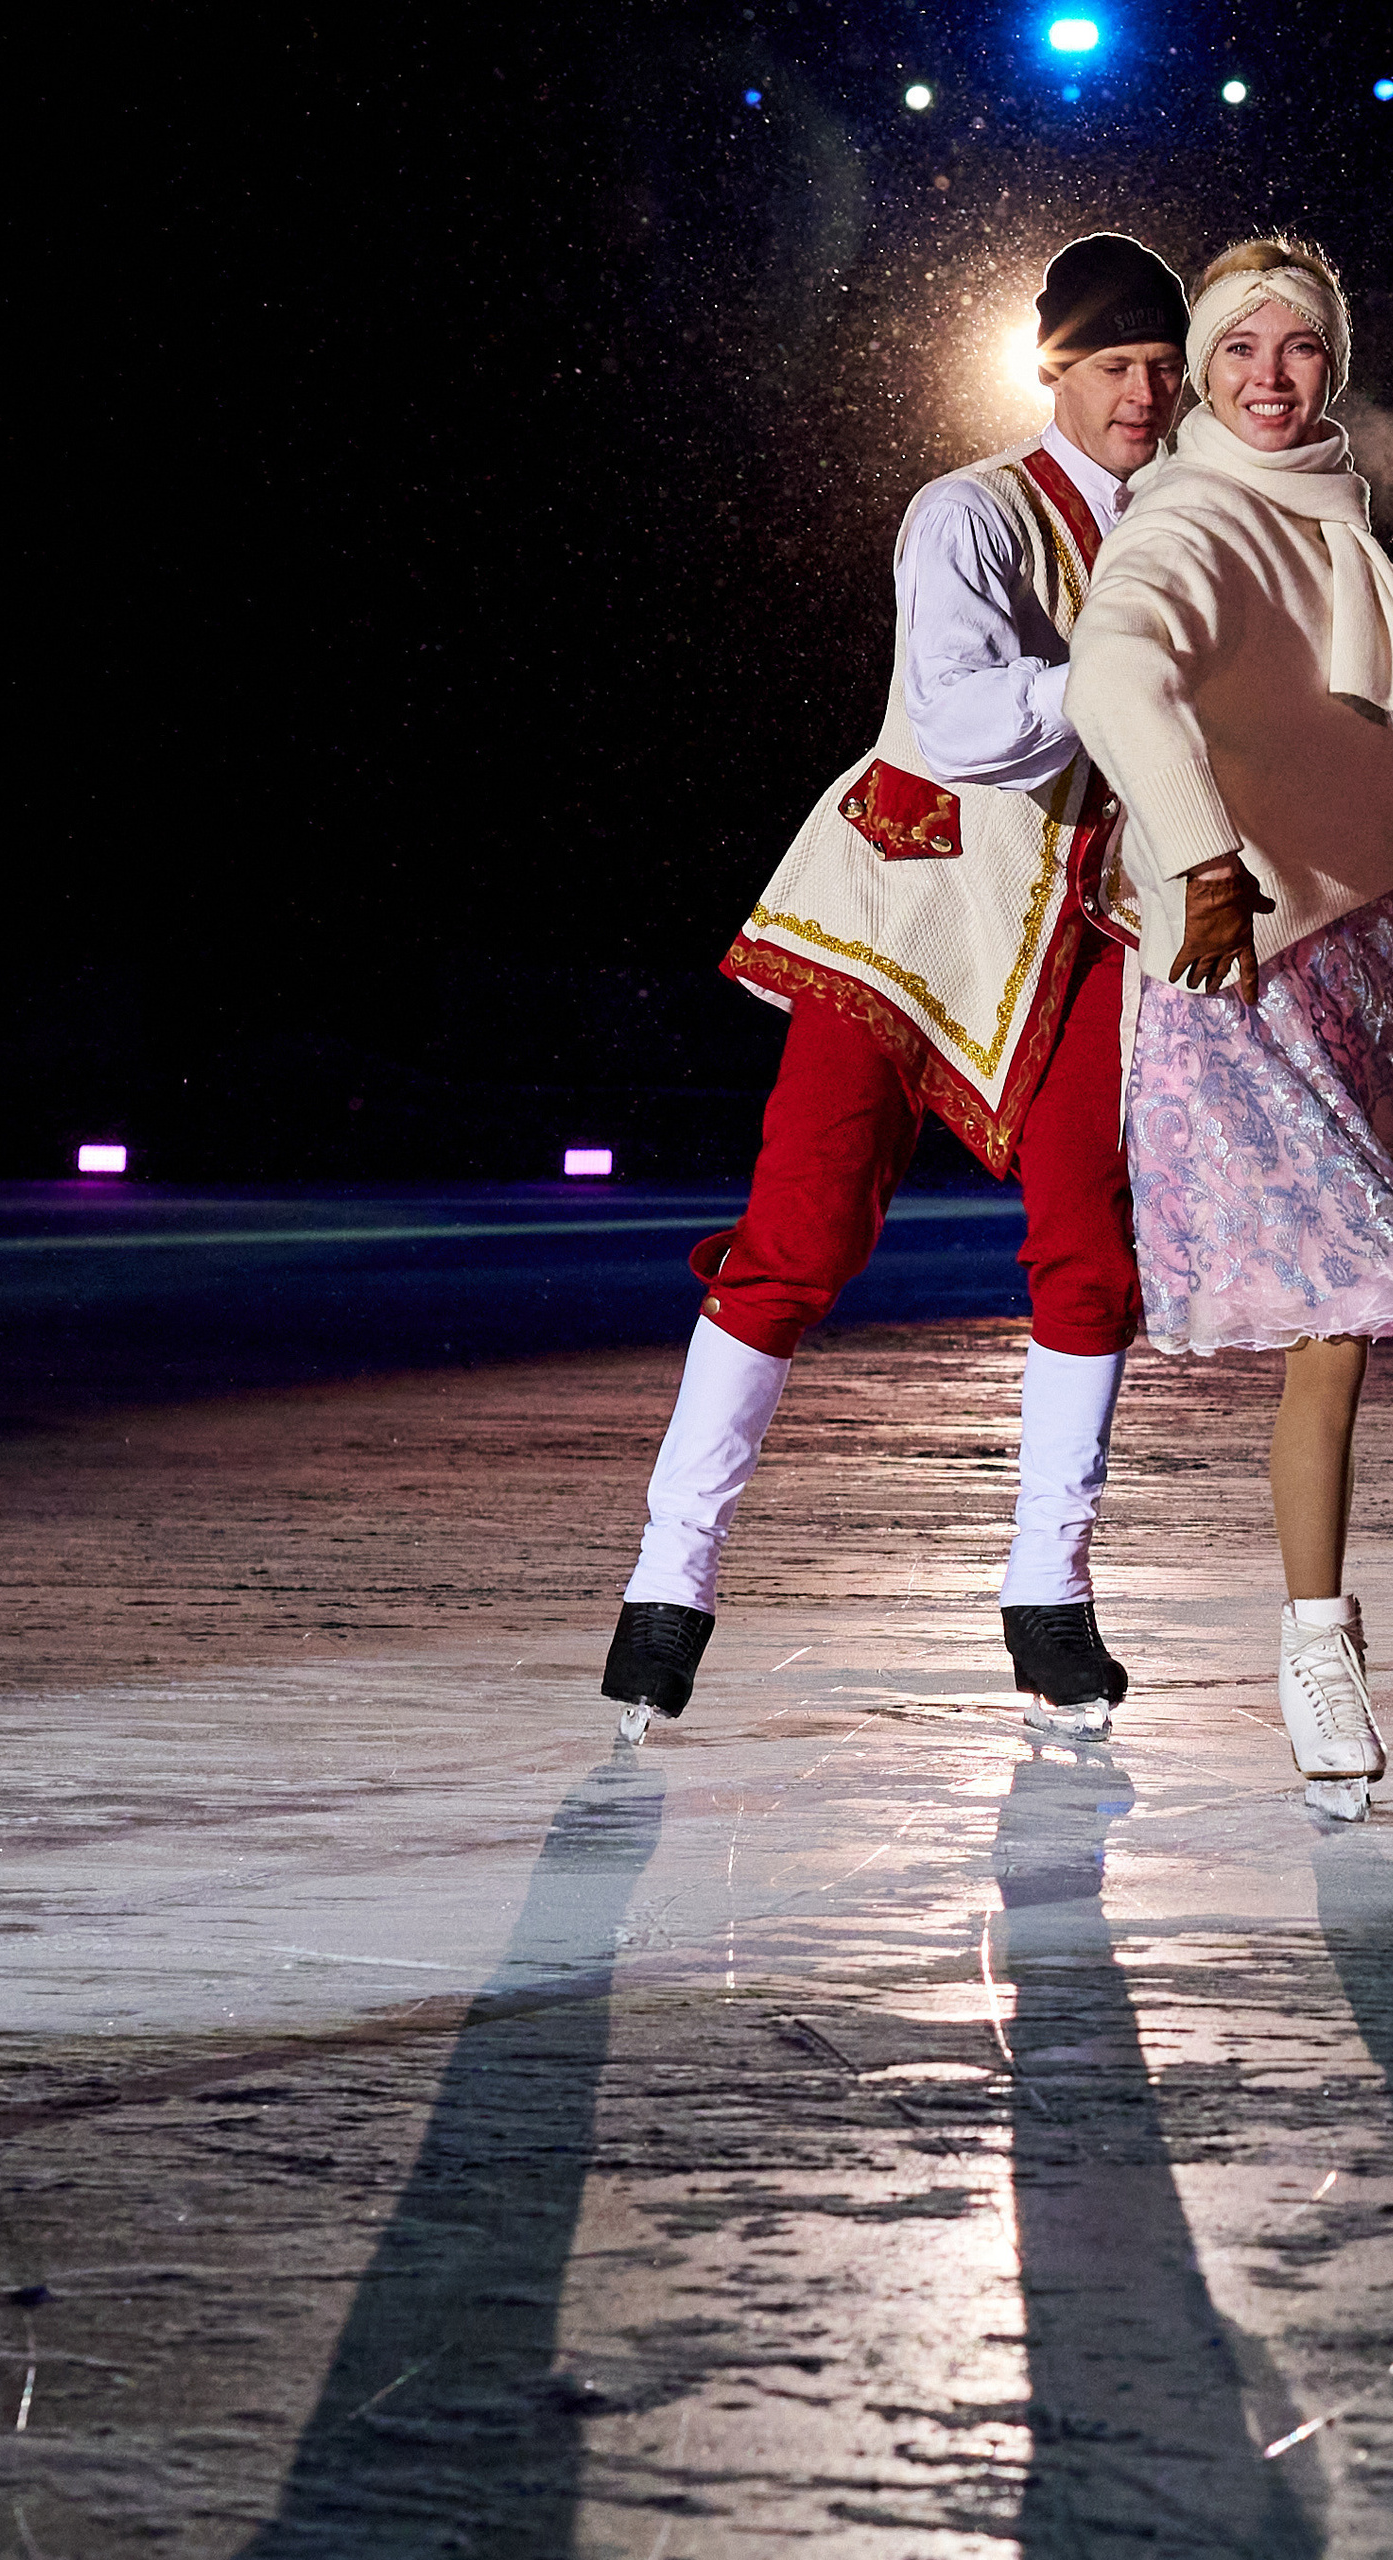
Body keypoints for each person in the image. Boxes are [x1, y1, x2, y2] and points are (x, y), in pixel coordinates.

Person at [601, 235, 1191, 1745]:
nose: (1145, 390)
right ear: (1050, 367)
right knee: (798, 1235)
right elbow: (971, 711)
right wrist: (1127, 684)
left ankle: (1047, 1596)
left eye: (1159, 364)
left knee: (1092, 1250)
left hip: (1079, 936)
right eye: (1114, 363)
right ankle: (669, 1581)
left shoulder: (1199, 532)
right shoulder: (971, 512)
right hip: (912, 916)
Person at [1065, 238, 1393, 1818]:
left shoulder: (1331, 504)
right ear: (1206, 366)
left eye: (1301, 349)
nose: (1269, 378)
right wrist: (1203, 860)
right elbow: (1114, 673)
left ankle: (1298, 1628)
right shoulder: (1192, 517)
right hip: (1237, 973)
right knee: (1354, 1281)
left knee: (1348, 1320)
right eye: (1240, 350)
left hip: (1359, 942)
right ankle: (1317, 1645)